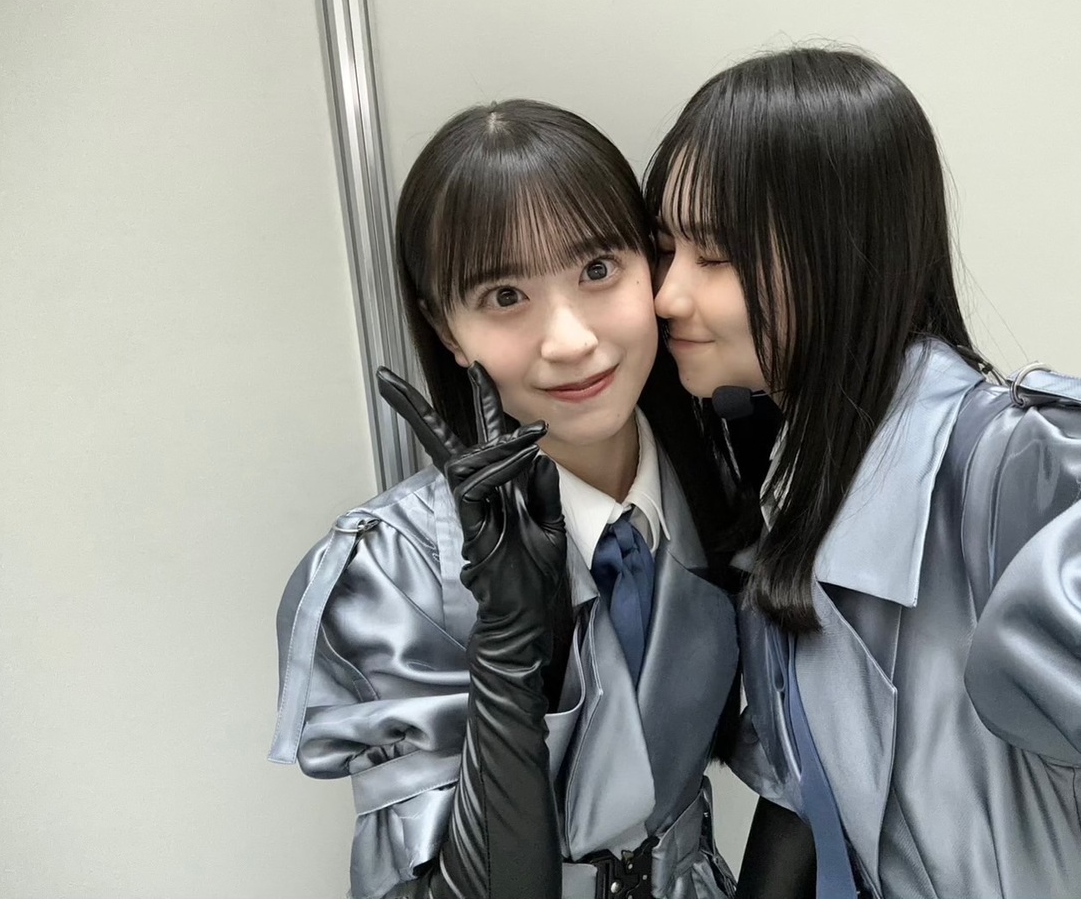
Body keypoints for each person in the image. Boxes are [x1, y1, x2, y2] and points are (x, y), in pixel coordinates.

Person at [646, 46, 1081, 899]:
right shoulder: (784, 474)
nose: (667, 295)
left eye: (714, 256)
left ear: (841, 252)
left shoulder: (1027, 467)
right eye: (666, 248)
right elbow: (806, 794)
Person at [269, 99, 745, 899]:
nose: (570, 340)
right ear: (446, 329)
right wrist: (507, 649)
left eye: (598, 270)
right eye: (504, 296)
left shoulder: (718, 481)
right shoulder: (391, 574)